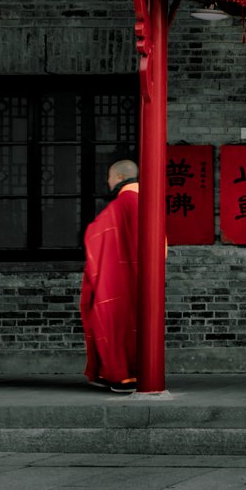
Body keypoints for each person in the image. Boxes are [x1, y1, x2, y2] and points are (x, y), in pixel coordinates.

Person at [80, 158, 143, 395]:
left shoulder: (120, 205)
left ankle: (122, 375)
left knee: (112, 322)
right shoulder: (148, 202)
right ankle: (135, 372)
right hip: (142, 276)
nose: (107, 182)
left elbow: (95, 235)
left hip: (117, 277)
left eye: (109, 177)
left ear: (118, 178)